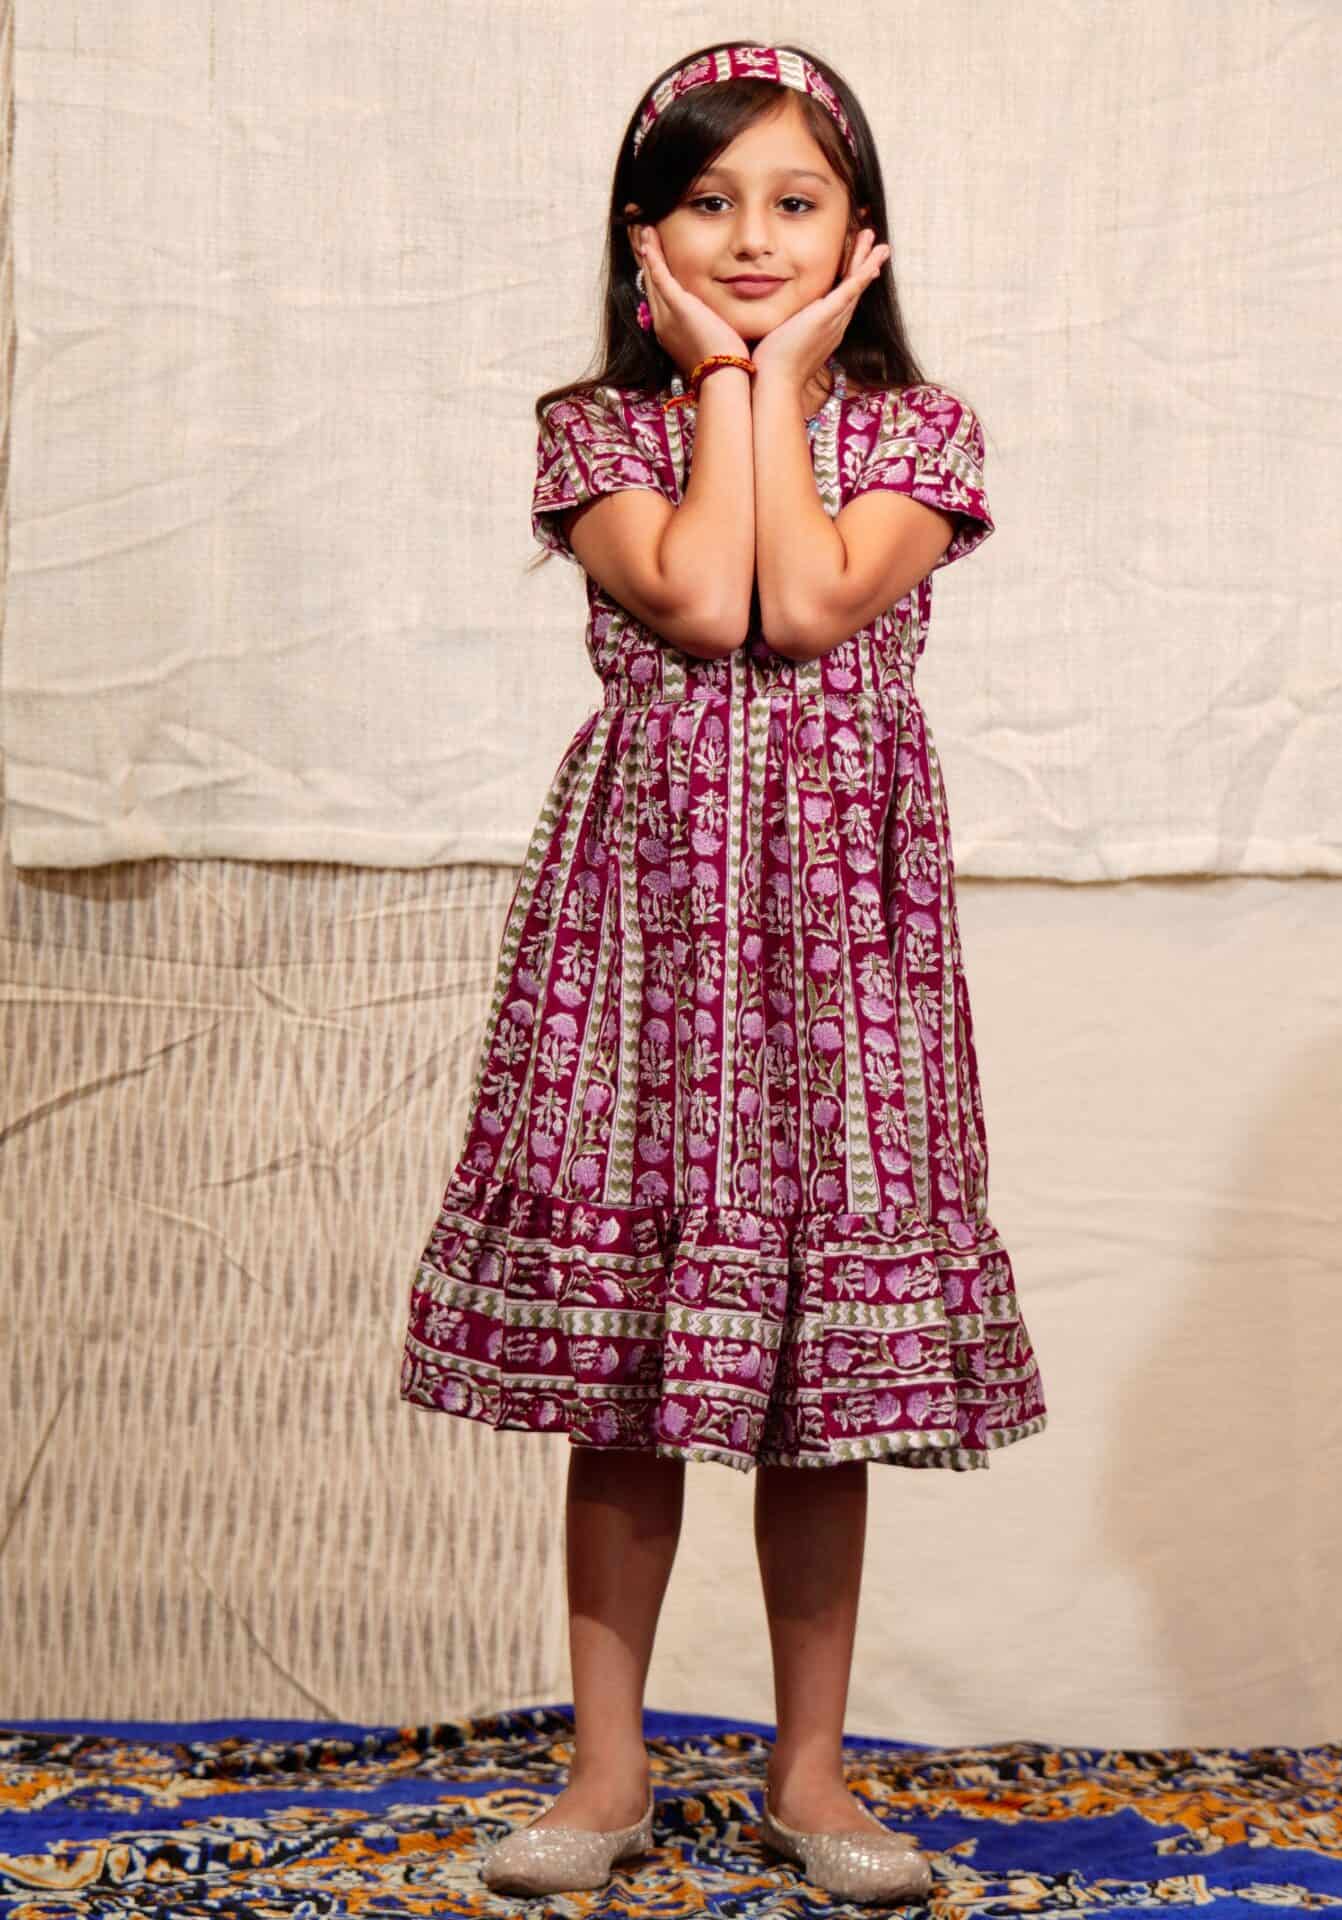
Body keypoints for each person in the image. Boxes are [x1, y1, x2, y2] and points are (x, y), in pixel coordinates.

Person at [397, 39, 1049, 1904]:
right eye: (707, 201)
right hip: (644, 931)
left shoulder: (918, 432)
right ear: (644, 235)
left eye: (794, 201)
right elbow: (701, 597)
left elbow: (812, 598)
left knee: (818, 1378)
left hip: (846, 936)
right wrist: (725, 383)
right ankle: (605, 1775)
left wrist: (779, 382)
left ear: (861, 233)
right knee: (629, 1374)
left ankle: (812, 1778)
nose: (752, 236)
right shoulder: (599, 431)